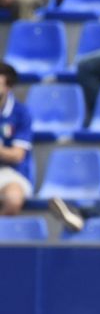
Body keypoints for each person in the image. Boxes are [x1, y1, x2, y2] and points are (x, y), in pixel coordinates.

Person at [0, 62, 32, 216]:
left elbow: (17, 155)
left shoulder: (21, 113)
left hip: (11, 173)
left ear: (8, 86)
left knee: (13, 199)